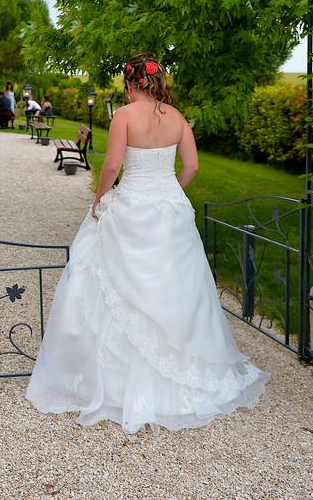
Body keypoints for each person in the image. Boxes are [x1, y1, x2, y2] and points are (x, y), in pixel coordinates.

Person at [26, 53, 268, 433]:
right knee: (177, 285)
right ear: (156, 81)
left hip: (132, 206)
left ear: (129, 82)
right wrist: (170, 190)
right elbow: (191, 166)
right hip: (169, 209)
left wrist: (100, 197)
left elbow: (111, 165)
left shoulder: (123, 115)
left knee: (113, 282)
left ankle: (112, 384)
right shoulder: (177, 117)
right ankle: (185, 372)